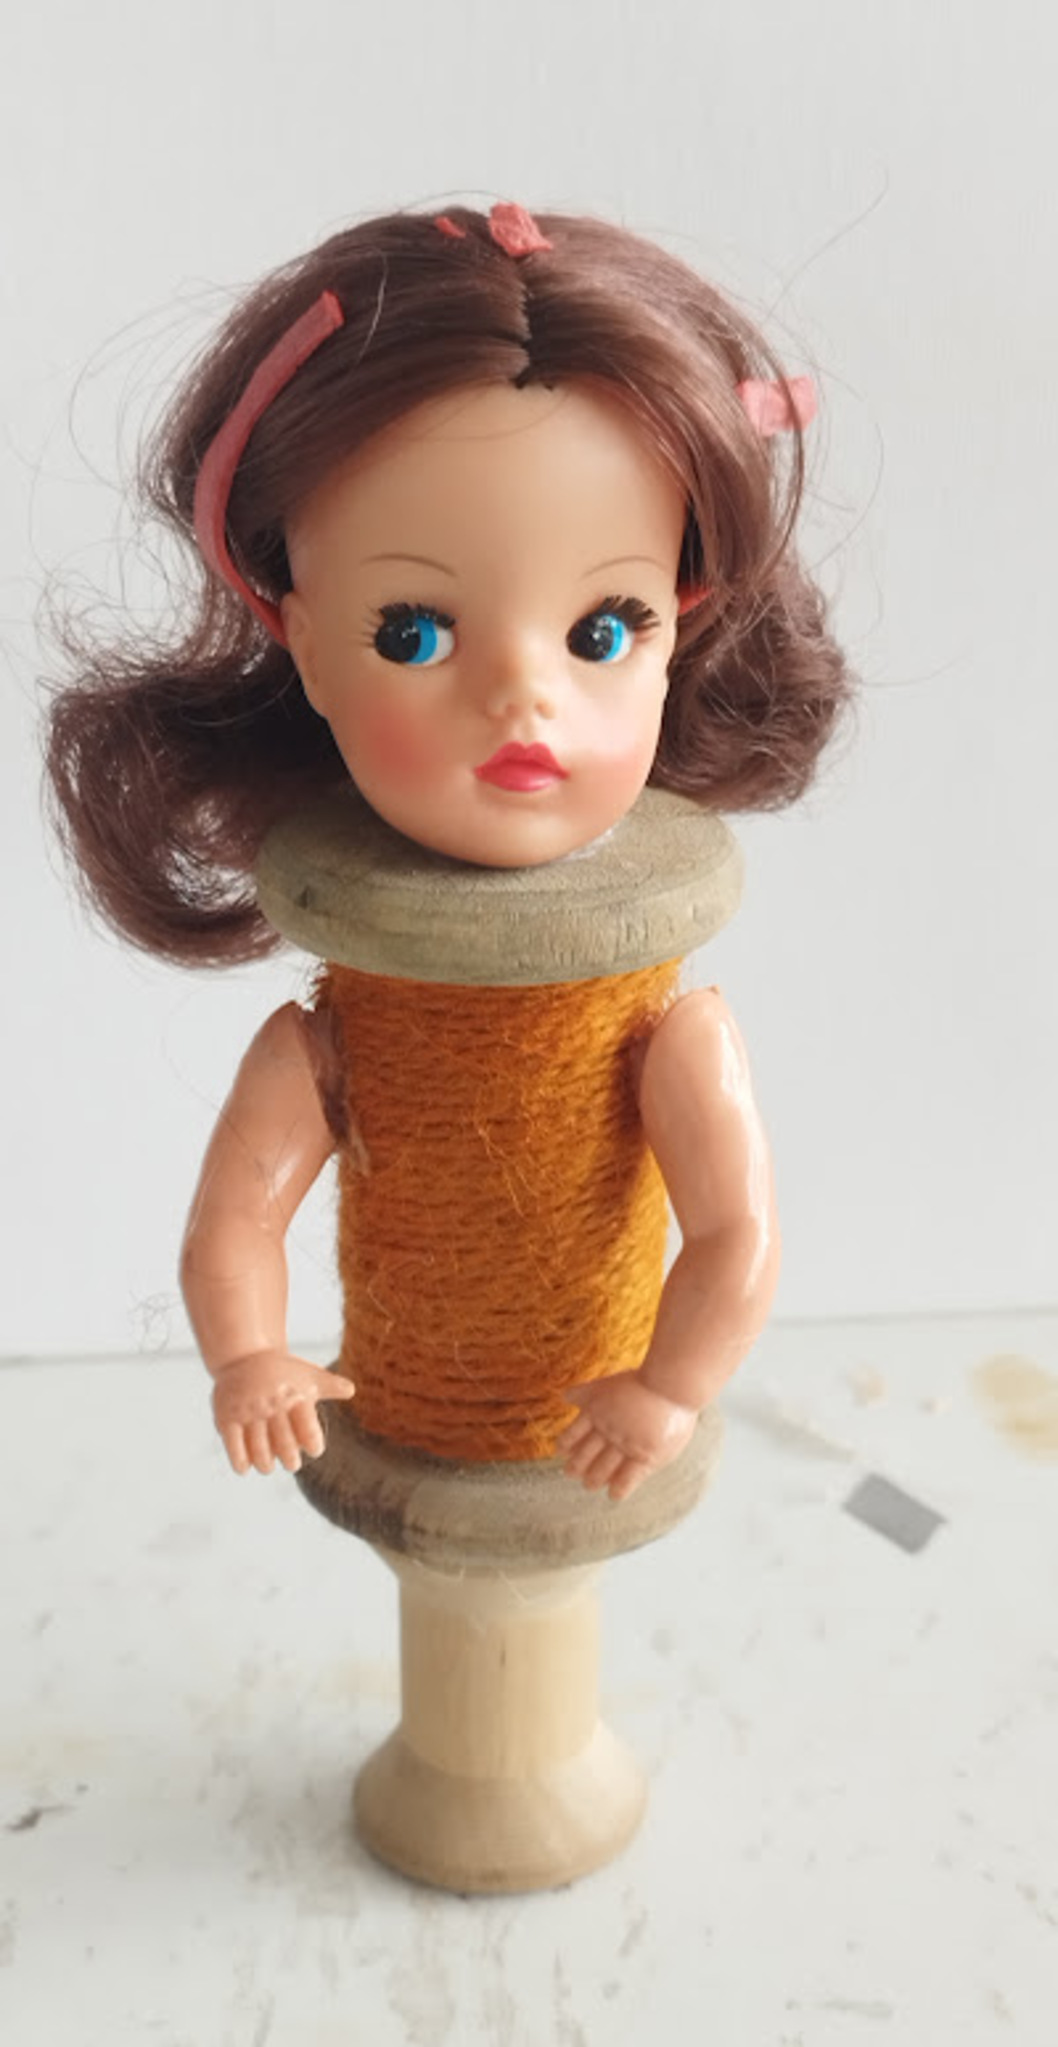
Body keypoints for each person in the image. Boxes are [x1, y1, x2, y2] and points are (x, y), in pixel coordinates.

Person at [46, 201, 851, 1499]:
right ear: (302, 639)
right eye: (412, 633)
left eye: (602, 630)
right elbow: (235, 1221)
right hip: (408, 1428)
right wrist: (247, 1356)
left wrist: (668, 1388)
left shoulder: (676, 1037)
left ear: (680, 625)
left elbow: (733, 1232)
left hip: (582, 1442)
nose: (522, 699)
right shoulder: (327, 1044)